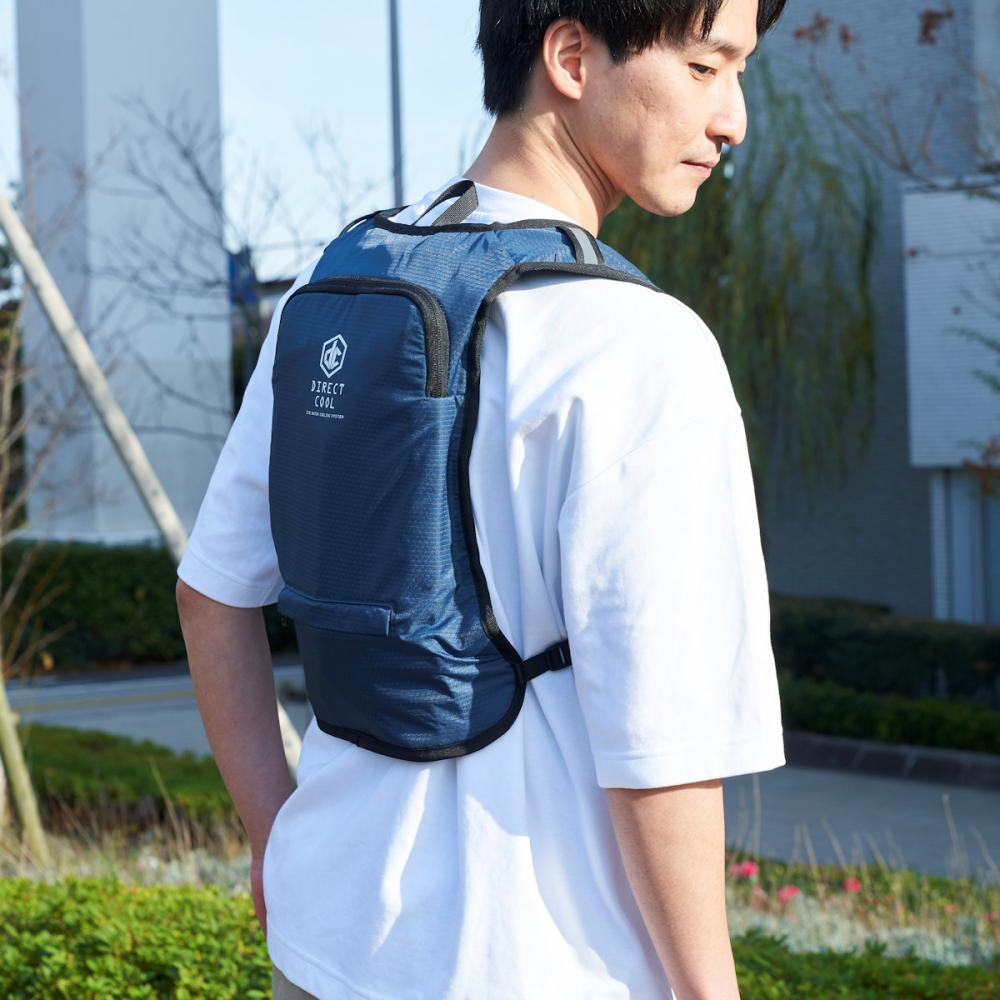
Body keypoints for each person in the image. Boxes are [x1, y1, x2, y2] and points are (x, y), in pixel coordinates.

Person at [175, 0, 789, 996]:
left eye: (739, 73)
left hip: (326, 941)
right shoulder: (640, 346)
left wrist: (273, 836)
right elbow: (660, 741)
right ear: (572, 56)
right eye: (704, 66)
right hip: (533, 961)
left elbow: (211, 595)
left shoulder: (332, 293)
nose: (733, 120)